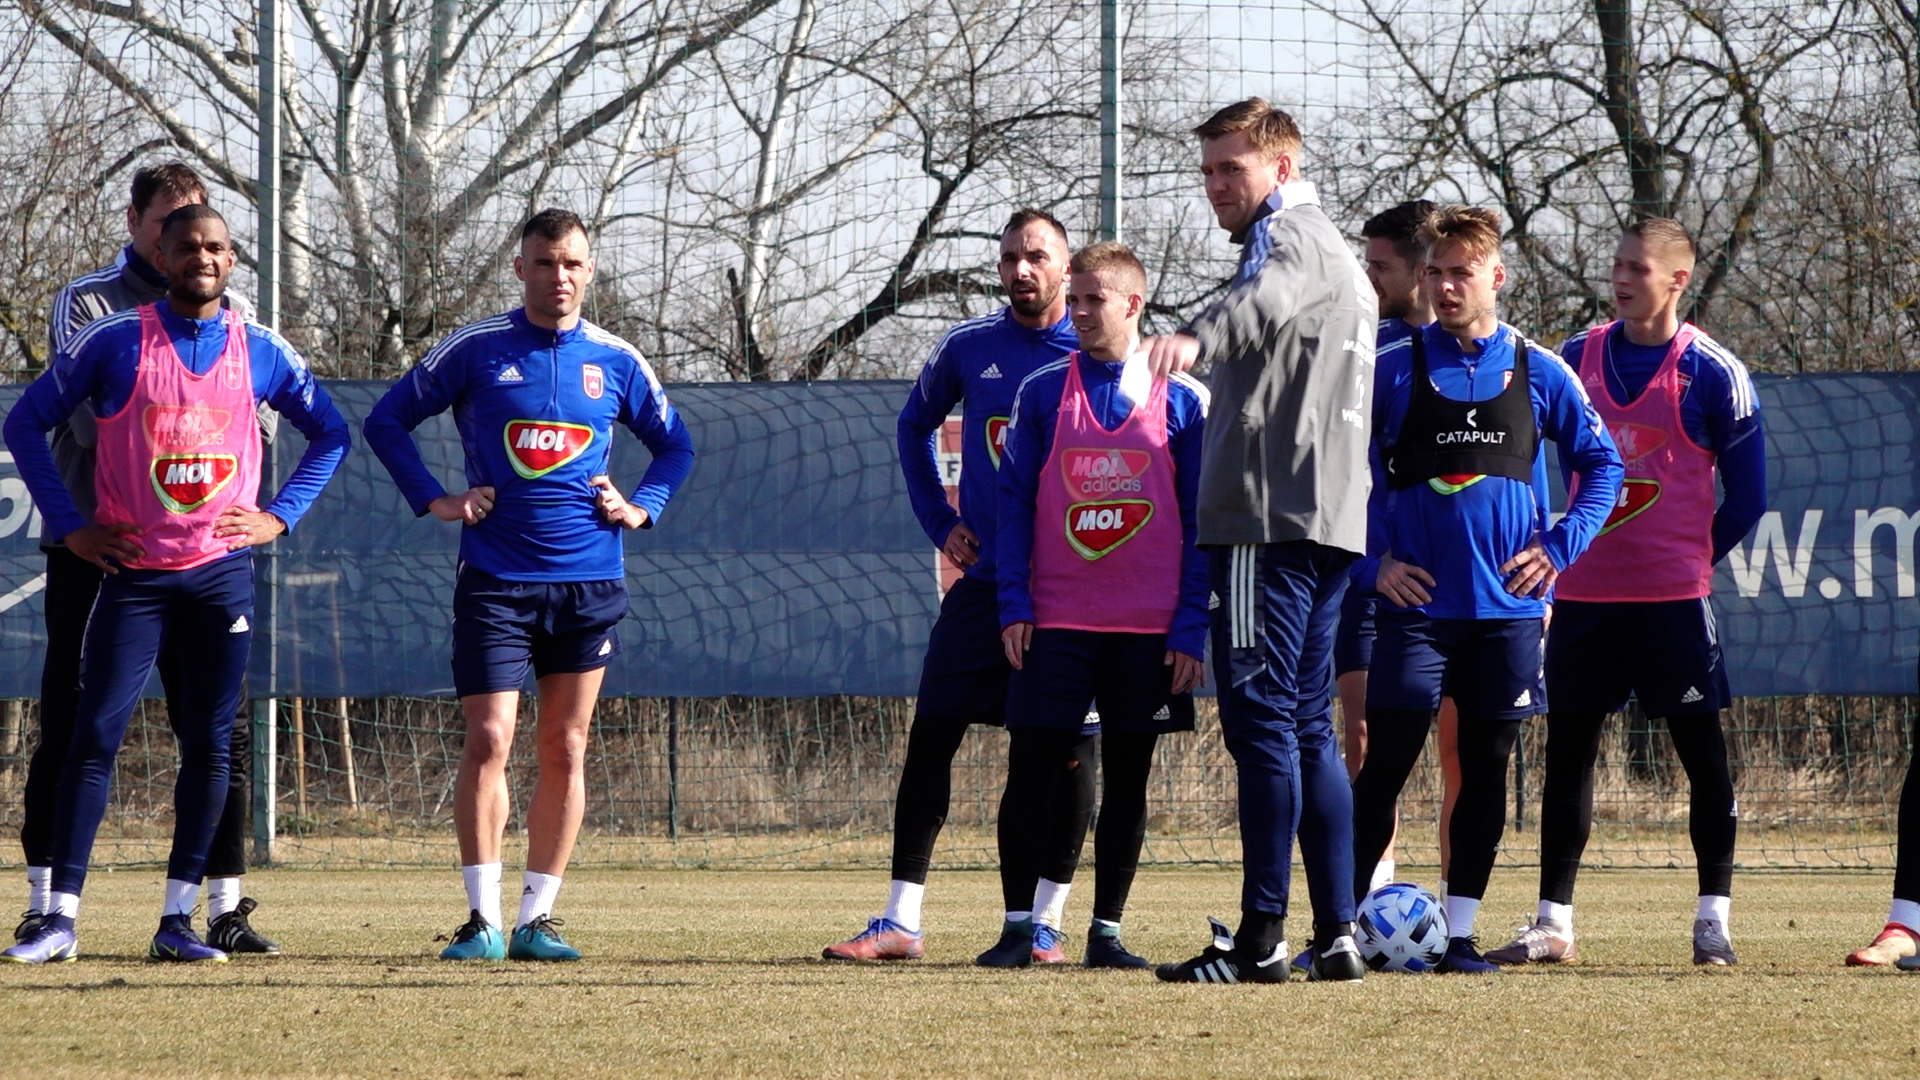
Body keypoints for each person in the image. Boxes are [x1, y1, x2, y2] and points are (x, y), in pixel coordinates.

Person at [2, 205, 350, 964]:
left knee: (211, 746)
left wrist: (279, 516)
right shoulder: (113, 339)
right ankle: (59, 921)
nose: (204, 258)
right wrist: (73, 525)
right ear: (161, 254)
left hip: (220, 581)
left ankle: (178, 923)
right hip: (134, 579)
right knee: (94, 738)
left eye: (217, 247)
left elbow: (332, 431)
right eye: (189, 246)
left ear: (232, 260)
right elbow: (24, 424)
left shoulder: (261, 348)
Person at [363, 208, 694, 962]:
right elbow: (386, 421)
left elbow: (675, 445)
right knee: (489, 738)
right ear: (521, 269)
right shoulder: (477, 348)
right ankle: (480, 922)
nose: (559, 276)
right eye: (545, 262)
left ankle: (536, 920)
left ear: (590, 270)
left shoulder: (616, 359)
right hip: (495, 582)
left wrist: (641, 506)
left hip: (588, 583)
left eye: (573, 263)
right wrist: (436, 499)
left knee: (566, 746)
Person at [1345, 204, 1621, 974]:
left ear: (1495, 277)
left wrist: (1559, 547)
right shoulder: (1391, 366)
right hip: (1416, 615)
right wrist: (1373, 566)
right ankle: (1341, 931)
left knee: (1485, 771)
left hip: (1507, 616)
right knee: (1384, 767)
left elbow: (1604, 466)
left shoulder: (1540, 369)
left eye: (1460, 273)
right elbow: (1337, 471)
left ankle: (1459, 936)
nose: (1443, 287)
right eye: (1433, 273)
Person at [1143, 98, 1377, 985]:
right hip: (1328, 524)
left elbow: (1261, 298)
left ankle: (1262, 940)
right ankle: (1339, 932)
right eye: (1206, 170)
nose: (1215, 186)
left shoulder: (1287, 237)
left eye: (1230, 168)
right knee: (1309, 727)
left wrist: (1197, 337)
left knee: (1261, 725)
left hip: (1265, 525)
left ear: (1281, 167)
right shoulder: (1340, 257)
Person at [1489, 218, 1765, 968]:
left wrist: (1689, 561)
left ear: (1677, 279)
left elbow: (1747, 499)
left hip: (1673, 604)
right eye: (1617, 265)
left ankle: (1712, 921)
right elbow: (1519, 451)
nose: (1620, 278)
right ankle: (1553, 924)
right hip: (1583, 599)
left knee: (1702, 756)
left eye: (1637, 268)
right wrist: (1549, 549)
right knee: (1569, 754)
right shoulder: (1573, 358)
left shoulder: (1713, 372)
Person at [822, 210, 1078, 965]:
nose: (1021, 269)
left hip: (1069, 596)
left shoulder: (1098, 351)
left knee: (1068, 756)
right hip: (986, 584)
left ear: (1066, 267)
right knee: (931, 737)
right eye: (1010, 257)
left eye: (1037, 256)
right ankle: (900, 920)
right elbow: (913, 427)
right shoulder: (970, 346)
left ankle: (1045, 925)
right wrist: (940, 520)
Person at [994, 242, 1208, 967]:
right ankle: (1019, 931)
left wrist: (1190, 625)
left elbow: (1202, 526)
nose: (1079, 312)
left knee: (1129, 779)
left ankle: (1106, 934)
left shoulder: (1185, 398)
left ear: (1133, 304)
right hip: (1055, 621)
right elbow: (1014, 506)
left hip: (1149, 631)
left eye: (1094, 300)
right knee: (1031, 770)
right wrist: (1014, 604)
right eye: (1076, 299)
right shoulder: (1042, 392)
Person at [1341, 198, 1457, 897]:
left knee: (1459, 749)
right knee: (1364, 736)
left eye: (1380, 266)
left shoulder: (1489, 353)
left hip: (1456, 586)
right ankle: (1371, 895)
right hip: (1371, 578)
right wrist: (1368, 563)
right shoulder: (1361, 352)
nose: (1369, 278)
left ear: (1421, 271)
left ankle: (1454, 903)